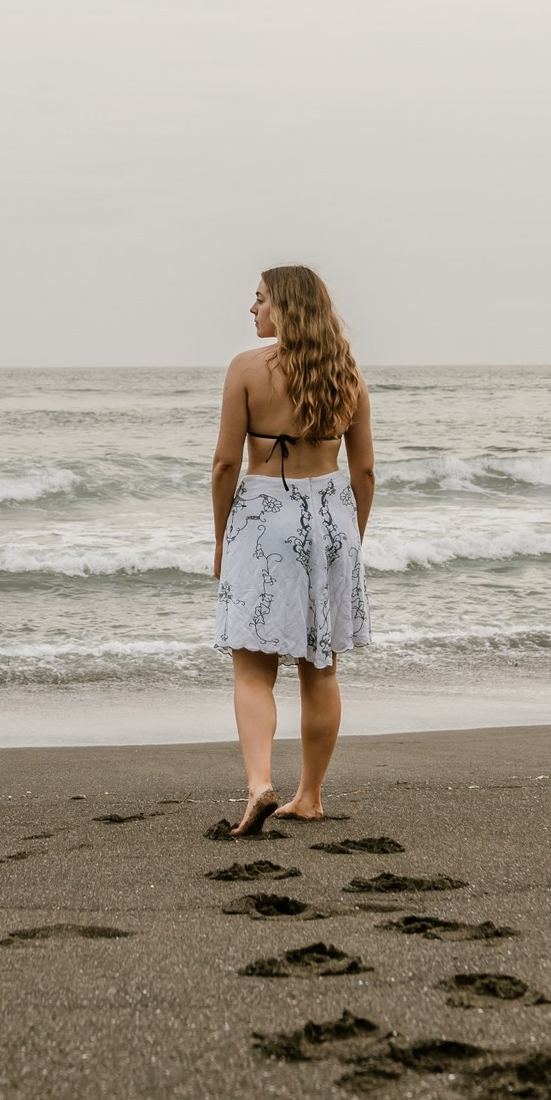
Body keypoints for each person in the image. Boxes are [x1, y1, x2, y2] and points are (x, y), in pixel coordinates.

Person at [210, 265, 375, 836]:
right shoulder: (346, 371)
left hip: (265, 517)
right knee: (319, 668)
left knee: (252, 669)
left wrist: (220, 539)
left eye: (259, 299)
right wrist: (353, 538)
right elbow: (365, 471)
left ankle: (260, 784)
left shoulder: (246, 369)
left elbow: (226, 464)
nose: (252, 309)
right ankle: (309, 796)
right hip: (333, 518)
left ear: (284, 306)